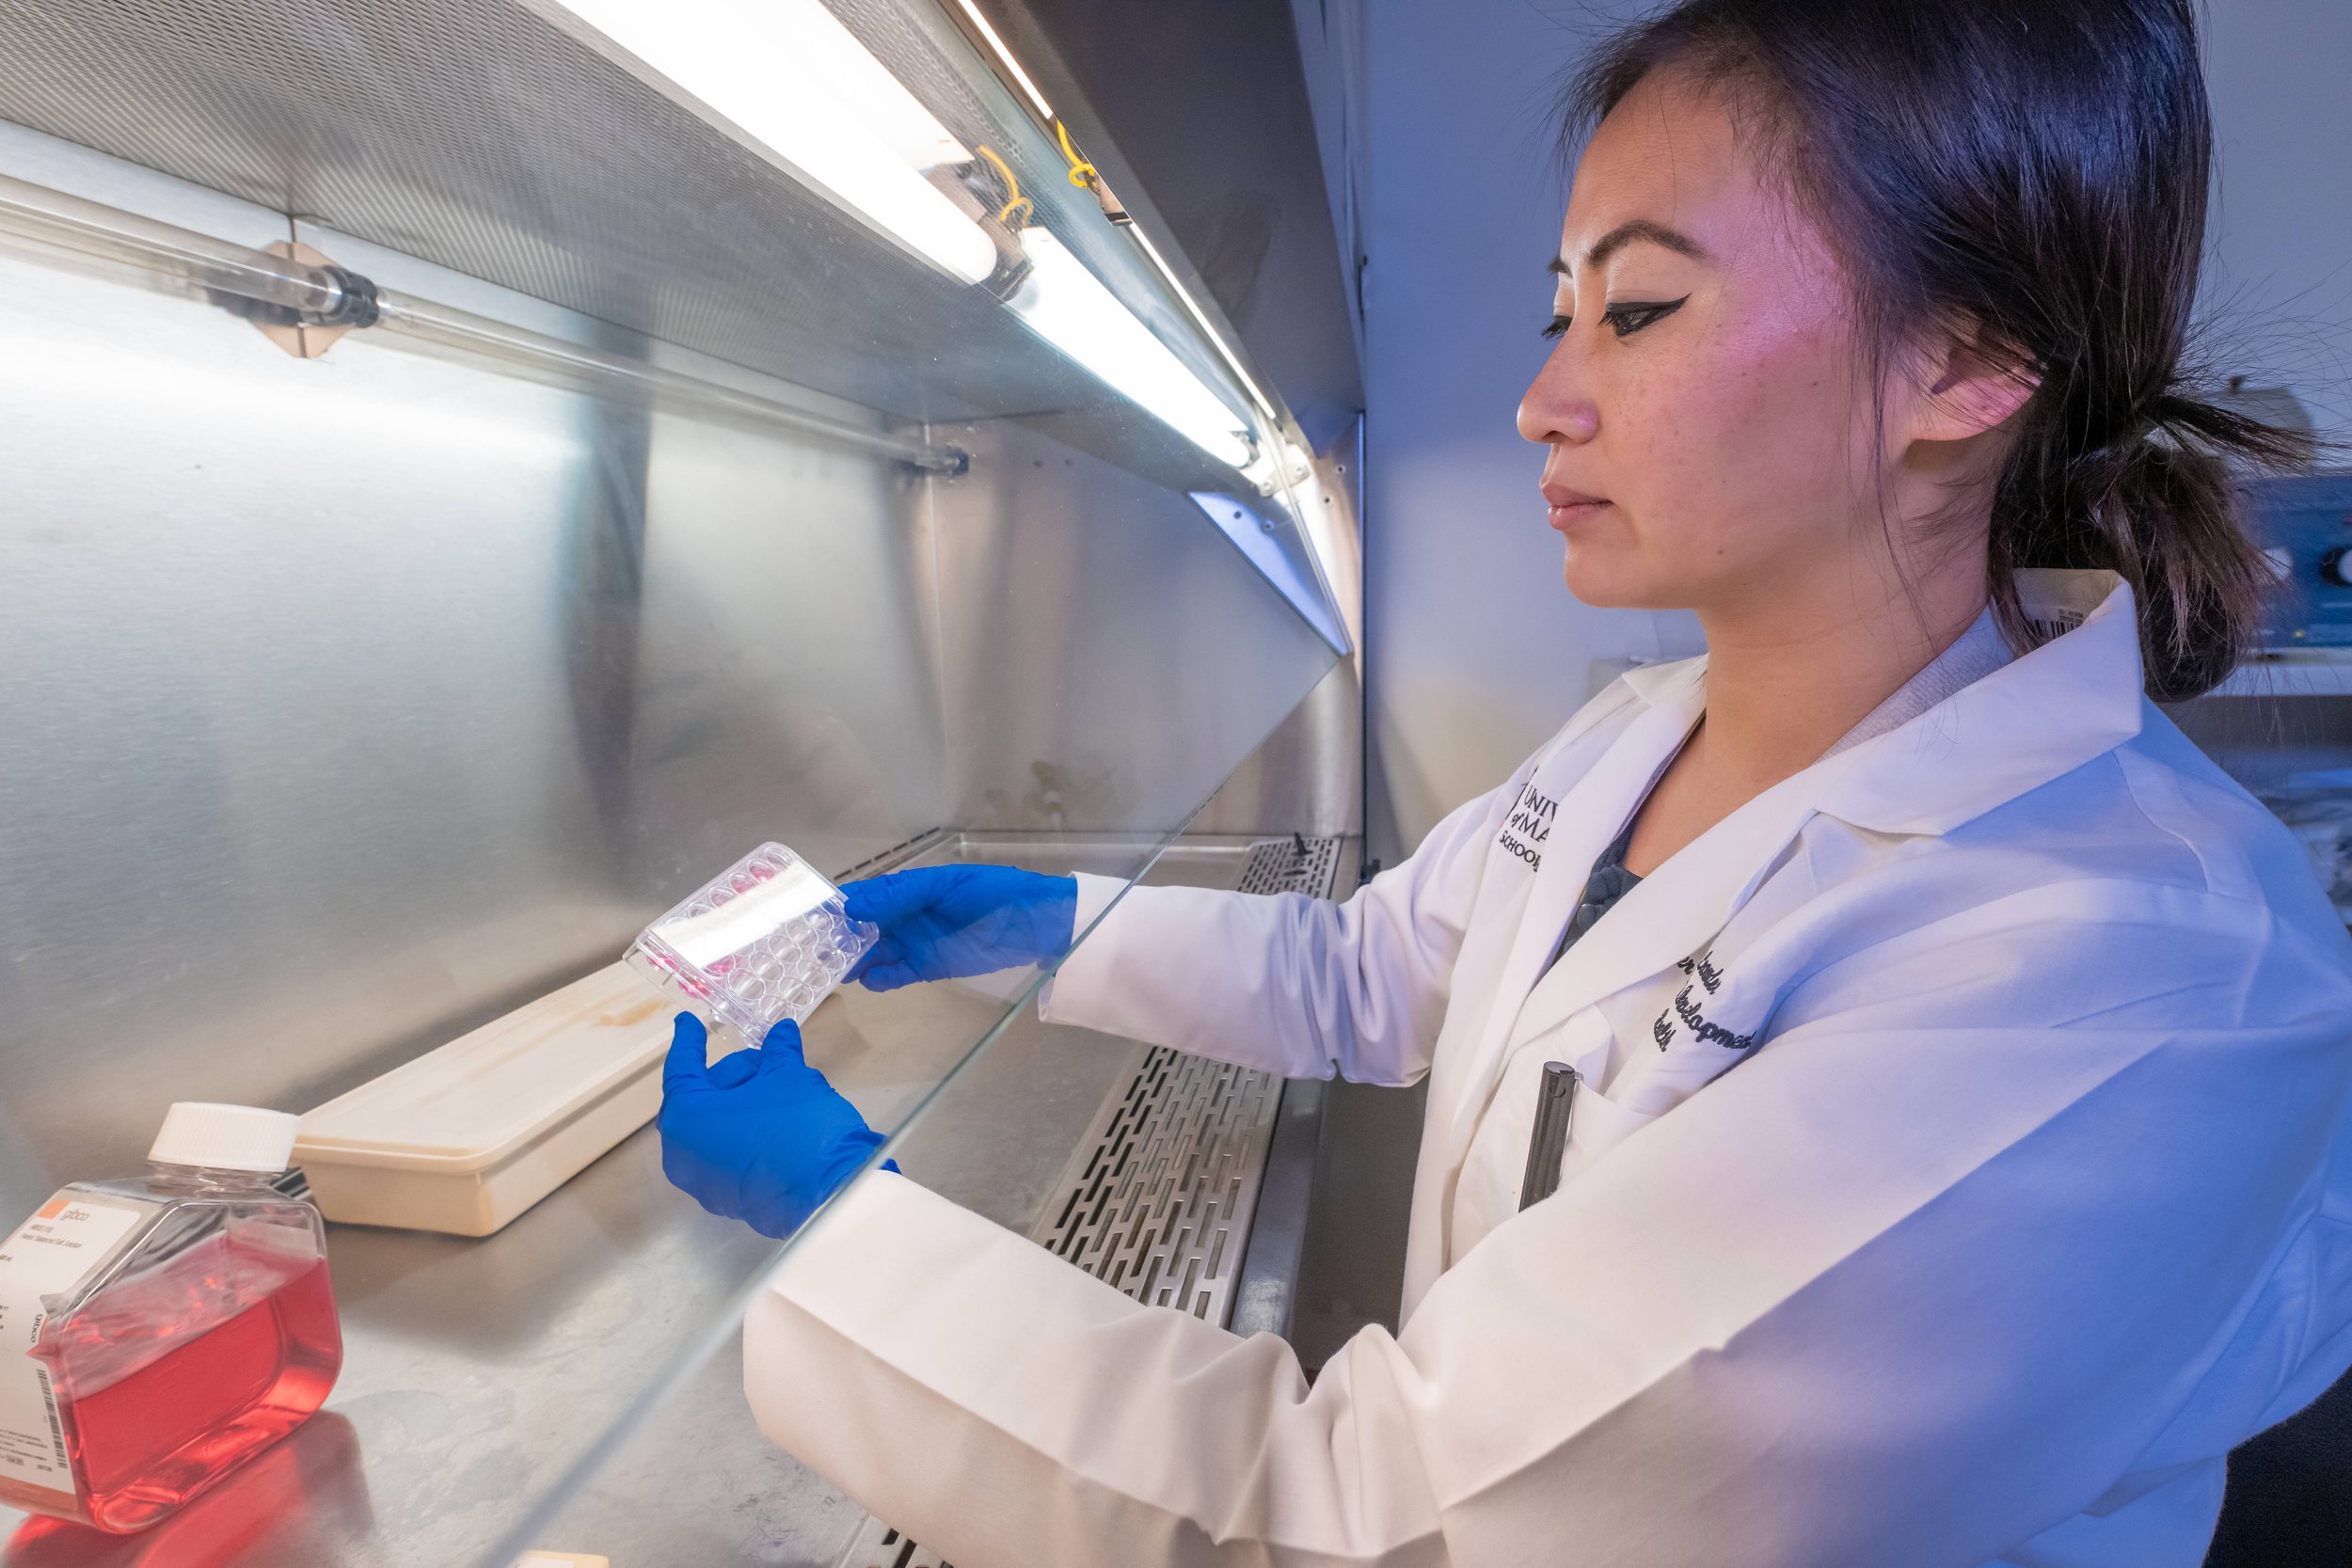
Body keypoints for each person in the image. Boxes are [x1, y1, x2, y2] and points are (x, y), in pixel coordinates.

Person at [654, 0, 2352, 1560]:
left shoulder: (2128, 985)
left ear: (1970, 363)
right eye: (1561, 310)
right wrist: (1053, 924)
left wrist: (837, 1229)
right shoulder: (1643, 732)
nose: (1543, 399)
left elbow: (1369, 1522)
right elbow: (1385, 969)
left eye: (1639, 308)